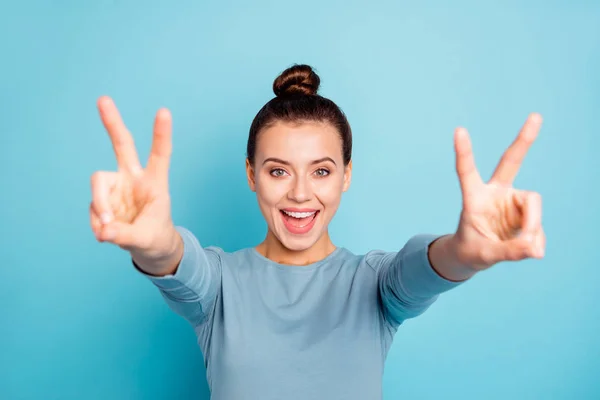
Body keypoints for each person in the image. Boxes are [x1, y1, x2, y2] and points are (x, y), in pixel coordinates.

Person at [89, 64, 545, 400]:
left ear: (346, 175)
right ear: (252, 175)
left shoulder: (374, 284)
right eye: (278, 171)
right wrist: (153, 243)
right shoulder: (220, 284)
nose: (301, 194)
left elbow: (422, 267)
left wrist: (466, 250)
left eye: (321, 171)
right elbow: (177, 262)